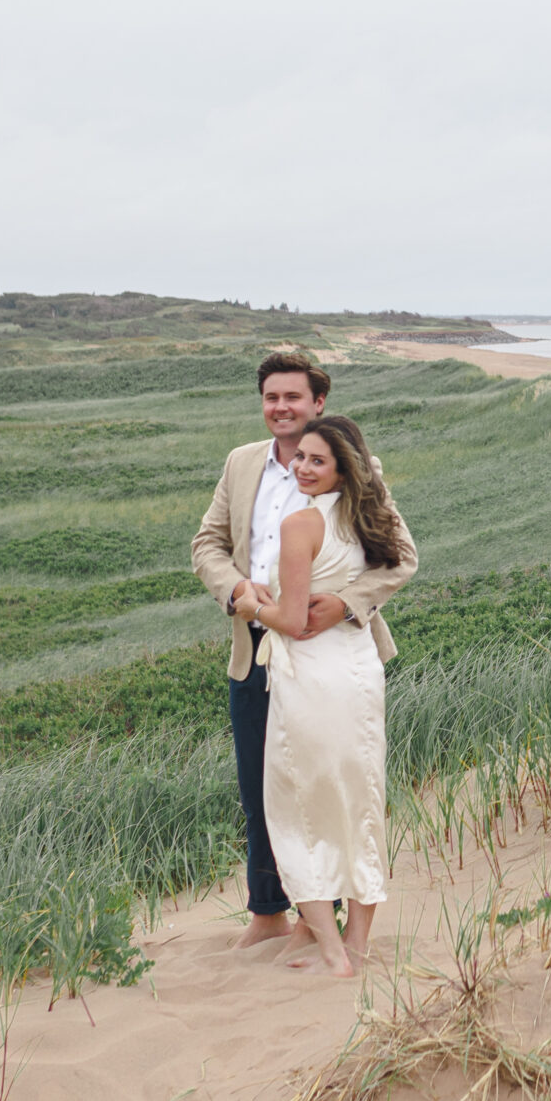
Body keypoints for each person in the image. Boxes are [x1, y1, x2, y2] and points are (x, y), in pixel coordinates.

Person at [191, 355, 407, 947]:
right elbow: (208, 543)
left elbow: (401, 557)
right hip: (256, 646)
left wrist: (346, 602)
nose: (280, 407)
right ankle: (267, 913)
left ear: (319, 403)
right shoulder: (240, 464)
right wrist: (236, 589)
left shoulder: (357, 466)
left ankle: (325, 924)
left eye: (292, 396)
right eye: (270, 397)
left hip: (329, 645)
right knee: (261, 783)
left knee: (327, 779)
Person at [233, 413, 413, 975]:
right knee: (361, 801)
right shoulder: (370, 516)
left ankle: (332, 952)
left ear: (342, 468)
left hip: (310, 674)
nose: (303, 467)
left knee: (296, 807)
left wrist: (247, 605)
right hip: (359, 672)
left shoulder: (299, 525)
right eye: (300, 458)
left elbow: (289, 619)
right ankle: (356, 943)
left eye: (317, 460)